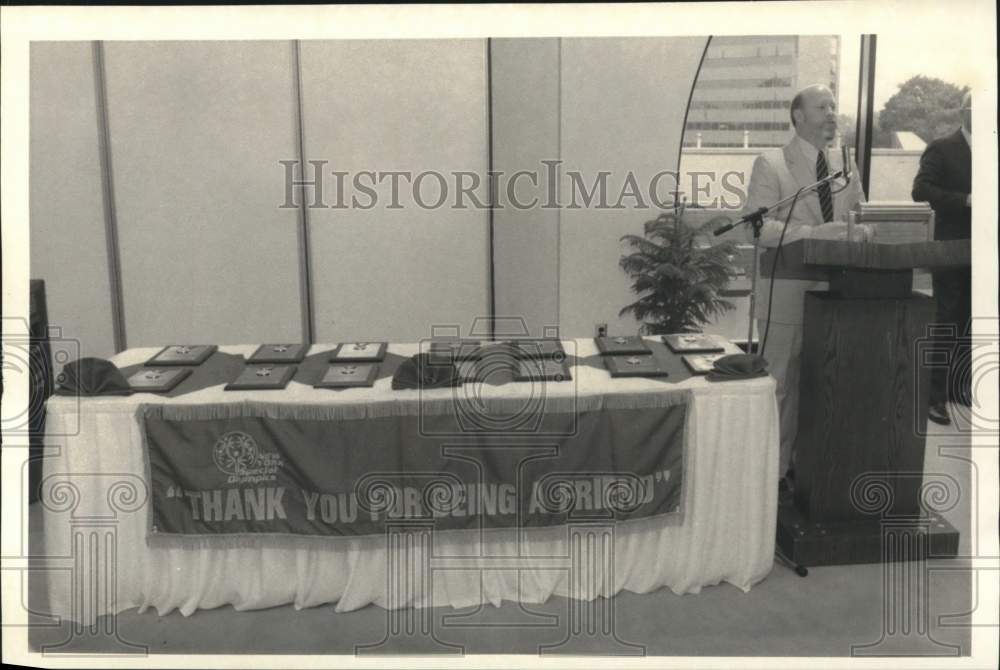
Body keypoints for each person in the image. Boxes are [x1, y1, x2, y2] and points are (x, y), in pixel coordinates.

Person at [743, 84, 868, 487]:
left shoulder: (847, 170)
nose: (832, 113)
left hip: (838, 298)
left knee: (824, 389)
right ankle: (772, 477)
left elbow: (861, 220)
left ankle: (812, 474)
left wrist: (860, 233)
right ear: (798, 115)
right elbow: (757, 227)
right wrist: (815, 234)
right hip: (786, 296)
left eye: (834, 105)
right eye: (822, 106)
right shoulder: (772, 163)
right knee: (781, 390)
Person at [911, 92, 972, 426]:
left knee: (973, 321)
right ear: (964, 112)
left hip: (986, 253)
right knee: (947, 322)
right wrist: (965, 200)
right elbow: (921, 190)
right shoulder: (942, 147)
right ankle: (934, 398)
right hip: (951, 251)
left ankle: (960, 388)